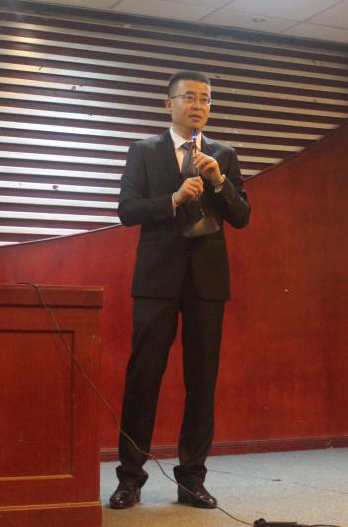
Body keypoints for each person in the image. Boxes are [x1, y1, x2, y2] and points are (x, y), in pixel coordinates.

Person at [110, 70, 251, 510]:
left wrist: (219, 182)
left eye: (206, 99)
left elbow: (242, 216)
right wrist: (172, 199)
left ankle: (192, 480)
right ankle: (130, 479)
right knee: (143, 377)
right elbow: (127, 210)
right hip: (157, 279)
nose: (198, 105)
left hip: (207, 282)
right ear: (168, 103)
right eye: (189, 97)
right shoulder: (144, 151)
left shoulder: (223, 155)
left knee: (202, 382)